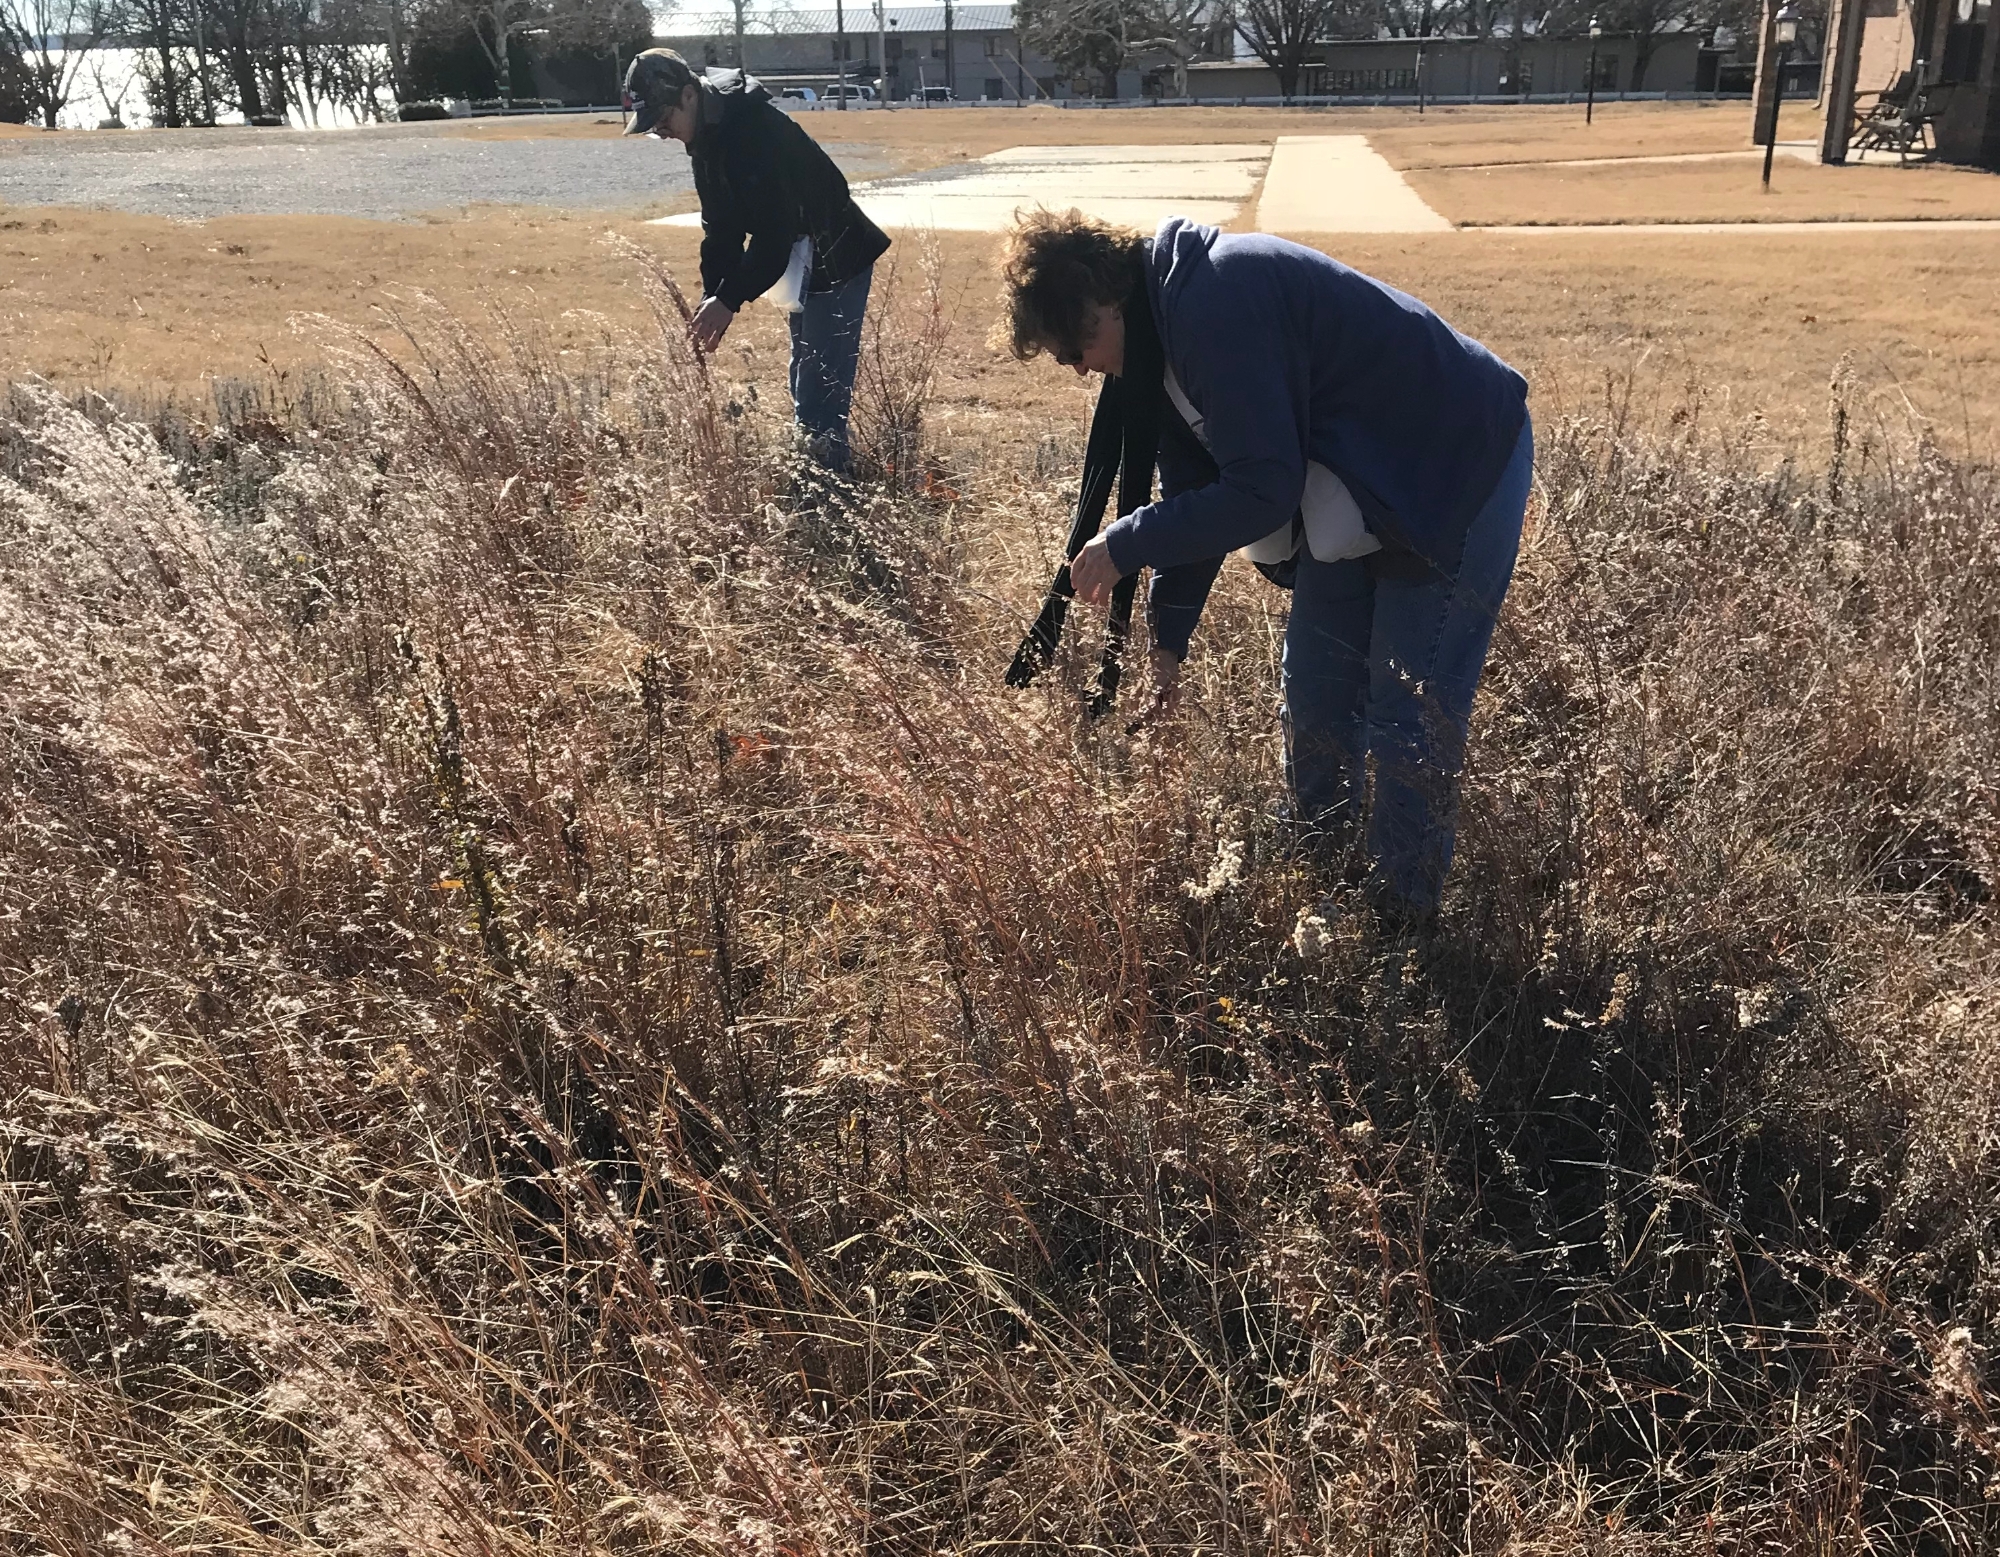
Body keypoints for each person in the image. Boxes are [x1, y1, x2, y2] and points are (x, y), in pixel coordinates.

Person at [1001, 210, 1532, 925]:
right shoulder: (1159, 343)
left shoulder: (1213, 301)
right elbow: (1198, 491)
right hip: (1357, 485)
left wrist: (1124, 543)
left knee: (1407, 713)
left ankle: (1402, 922)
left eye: (1078, 343)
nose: (1081, 367)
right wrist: (1167, 643)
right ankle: (1320, 856)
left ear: (1109, 296)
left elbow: (1261, 488)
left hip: (1452, 468)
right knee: (1315, 684)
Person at [624, 48, 891, 474]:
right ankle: (816, 473)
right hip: (801, 257)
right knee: (803, 372)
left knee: (819, 385)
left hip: (837, 251)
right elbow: (721, 229)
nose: (662, 130)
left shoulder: (750, 131)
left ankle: (830, 491)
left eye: (664, 119)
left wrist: (729, 300)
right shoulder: (706, 137)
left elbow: (772, 235)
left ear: (689, 96)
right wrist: (713, 296)